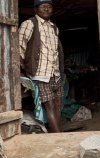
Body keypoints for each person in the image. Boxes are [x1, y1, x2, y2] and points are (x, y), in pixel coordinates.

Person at [19, 0, 64, 132]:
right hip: (40, 73)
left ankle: (56, 130)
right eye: (42, 6)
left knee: (57, 103)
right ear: (35, 9)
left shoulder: (54, 27)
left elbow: (56, 51)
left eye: (49, 6)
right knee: (49, 104)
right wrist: (25, 68)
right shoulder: (29, 24)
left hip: (55, 73)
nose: (46, 9)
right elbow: (20, 48)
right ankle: (58, 135)